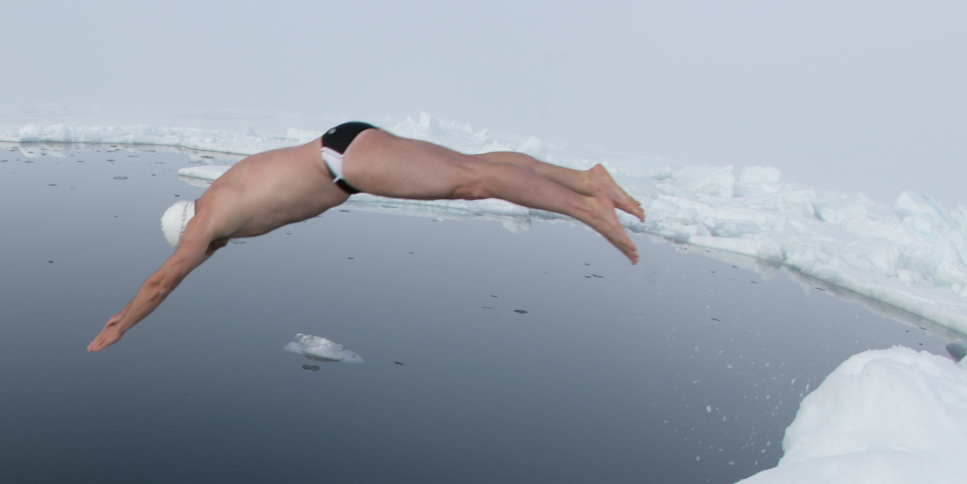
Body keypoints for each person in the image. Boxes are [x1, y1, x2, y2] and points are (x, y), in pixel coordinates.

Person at [86, 122, 646, 352]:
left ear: (188, 229)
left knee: (470, 183)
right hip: (345, 153)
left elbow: (164, 281)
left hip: (346, 160)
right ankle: (584, 180)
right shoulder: (219, 208)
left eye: (197, 247)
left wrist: (119, 324)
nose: (207, 253)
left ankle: (585, 208)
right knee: (468, 167)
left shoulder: (206, 223)